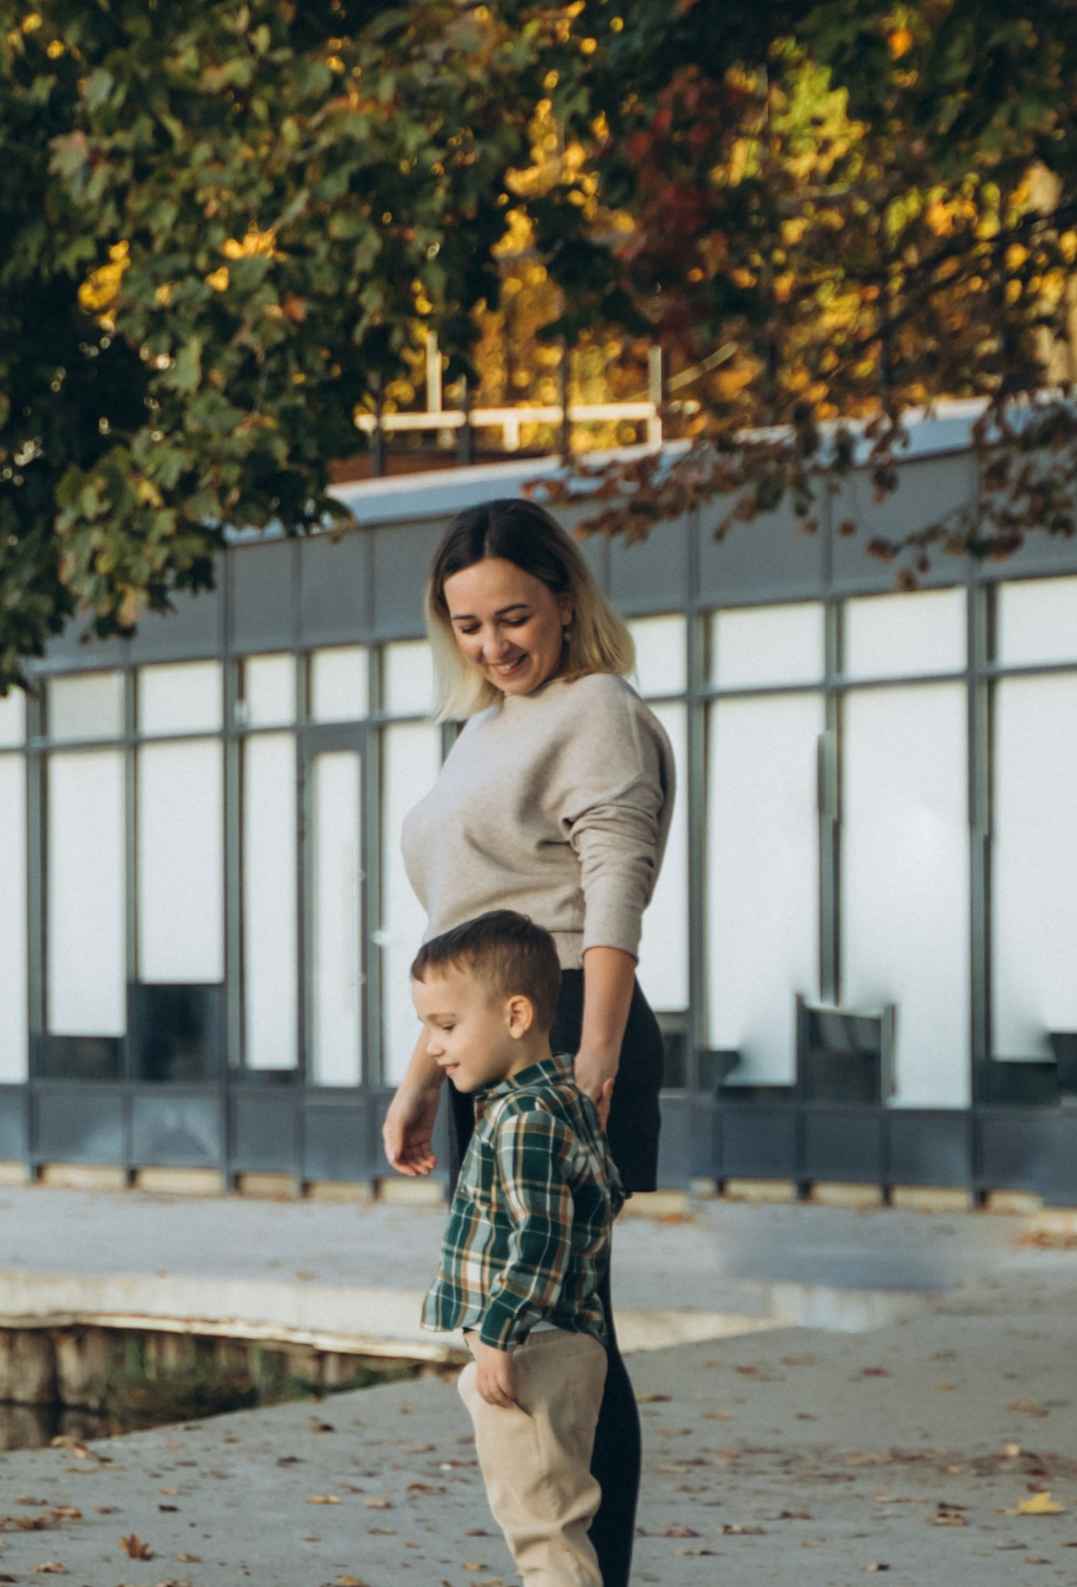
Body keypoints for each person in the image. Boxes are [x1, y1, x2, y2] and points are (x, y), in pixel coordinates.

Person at [384, 495, 674, 1587]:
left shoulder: (595, 706)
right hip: (487, 1042)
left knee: (564, 1324)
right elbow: (460, 924)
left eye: (513, 615)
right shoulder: (478, 730)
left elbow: (611, 893)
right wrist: (421, 1072)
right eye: (467, 625)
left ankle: (587, 1569)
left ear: (563, 599)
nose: (493, 644)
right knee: (546, 1323)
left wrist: (590, 1053)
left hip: (559, 1036)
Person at [413, 909, 626, 1587]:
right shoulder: (561, 1100)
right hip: (548, 1343)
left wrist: (498, 1335)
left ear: (515, 1015)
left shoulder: (525, 1121)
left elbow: (540, 1241)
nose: (431, 1046)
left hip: (532, 1346)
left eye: (445, 1026)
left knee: (545, 1535)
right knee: (549, 1521)